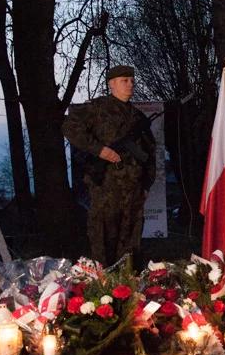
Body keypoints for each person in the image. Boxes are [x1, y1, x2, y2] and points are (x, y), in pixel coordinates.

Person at [62, 65, 156, 267]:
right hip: (106, 187)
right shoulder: (97, 108)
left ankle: (128, 285)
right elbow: (69, 126)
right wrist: (99, 150)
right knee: (104, 237)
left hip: (134, 190)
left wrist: (147, 184)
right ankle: (103, 287)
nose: (130, 84)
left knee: (131, 239)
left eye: (132, 80)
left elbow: (150, 153)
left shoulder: (138, 117)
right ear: (111, 84)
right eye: (125, 81)